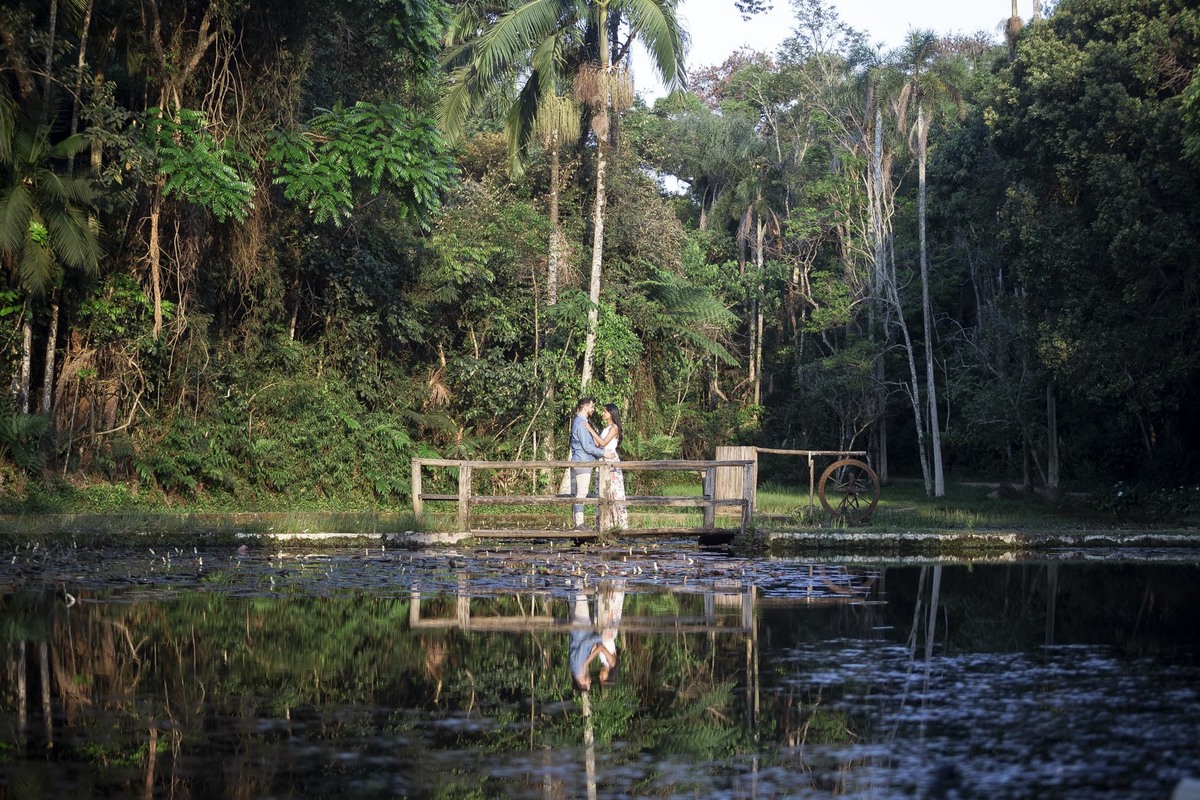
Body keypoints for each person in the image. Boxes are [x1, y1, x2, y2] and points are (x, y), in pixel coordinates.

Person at [587, 403, 628, 531]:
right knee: (603, 492)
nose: (603, 414)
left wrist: (590, 429)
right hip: (603, 458)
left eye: (605, 411)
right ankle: (605, 523)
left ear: (611, 413)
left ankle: (618, 524)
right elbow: (598, 443)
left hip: (610, 459)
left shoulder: (614, 428)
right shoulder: (606, 428)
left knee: (614, 492)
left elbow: (603, 442)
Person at [569, 397, 606, 530]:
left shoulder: (581, 422)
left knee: (578, 493)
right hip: (582, 462)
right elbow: (586, 446)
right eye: (592, 407)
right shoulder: (581, 423)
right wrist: (603, 453)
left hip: (580, 460)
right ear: (585, 408)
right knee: (581, 493)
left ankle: (578, 523)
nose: (593, 410)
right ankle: (579, 524)